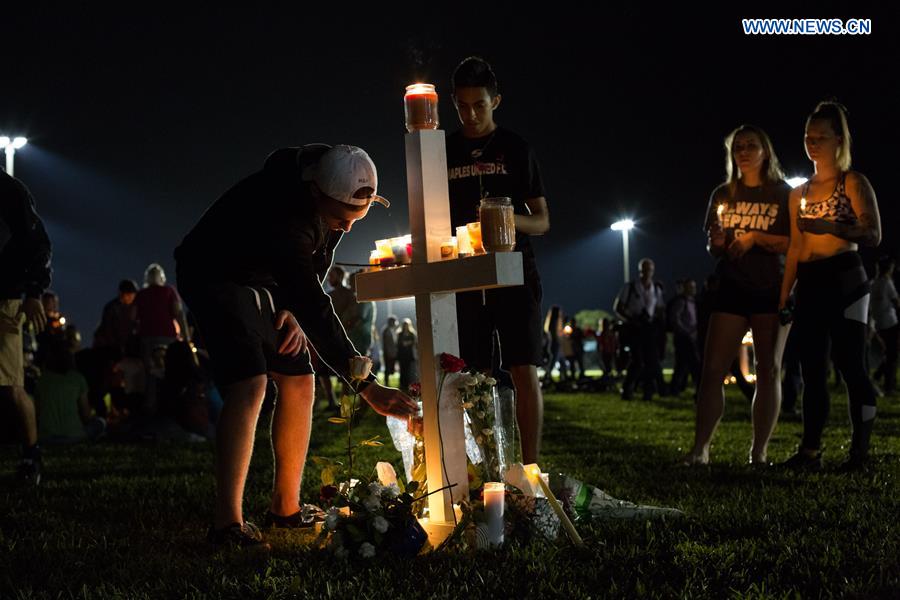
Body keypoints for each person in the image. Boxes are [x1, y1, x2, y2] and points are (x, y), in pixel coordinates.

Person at [174, 143, 417, 548]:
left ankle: (284, 510)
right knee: (251, 383)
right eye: (343, 218)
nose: (348, 228)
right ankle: (226, 525)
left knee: (300, 382)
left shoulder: (327, 199)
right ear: (316, 194)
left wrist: (289, 308)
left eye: (359, 216)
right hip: (212, 271)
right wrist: (366, 385)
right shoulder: (286, 213)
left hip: (264, 280)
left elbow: (314, 267)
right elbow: (313, 300)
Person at [447, 57, 550, 465]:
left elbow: (542, 220)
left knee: (523, 368)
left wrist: (506, 220)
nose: (471, 114)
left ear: (497, 101)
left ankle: (530, 467)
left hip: (515, 271)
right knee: (470, 375)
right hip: (466, 274)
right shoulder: (446, 150)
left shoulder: (516, 148)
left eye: (480, 105)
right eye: (463, 106)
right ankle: (487, 465)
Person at [779, 102, 882, 472]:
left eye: (822, 137)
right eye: (809, 137)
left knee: (853, 366)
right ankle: (809, 452)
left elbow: (873, 234)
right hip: (809, 283)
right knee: (811, 370)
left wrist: (833, 228)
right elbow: (794, 247)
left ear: (839, 140)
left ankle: (860, 453)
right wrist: (784, 294)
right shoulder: (799, 192)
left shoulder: (852, 182)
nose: (813, 143)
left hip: (846, 280)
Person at [683, 125, 791, 466]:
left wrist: (756, 237)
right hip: (731, 286)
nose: (743, 151)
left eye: (751, 145)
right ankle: (701, 449)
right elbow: (716, 246)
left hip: (771, 288)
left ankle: (759, 452)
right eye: (737, 146)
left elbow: (794, 243)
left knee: (768, 368)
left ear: (766, 151)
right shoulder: (723, 192)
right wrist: (716, 244)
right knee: (713, 369)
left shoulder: (782, 192)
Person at [1, 169, 52, 485]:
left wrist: (34, 292)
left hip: (5, 300)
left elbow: (39, 243)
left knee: (9, 384)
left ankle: (31, 455)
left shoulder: (9, 191)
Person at [135, 263, 189, 412]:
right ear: (162, 277)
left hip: (146, 338)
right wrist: (186, 337)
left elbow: (134, 317)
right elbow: (179, 313)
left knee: (150, 374)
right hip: (168, 337)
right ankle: (171, 408)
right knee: (170, 372)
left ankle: (150, 408)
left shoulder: (141, 294)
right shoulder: (169, 291)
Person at [35, 337, 104, 443]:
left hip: (46, 436)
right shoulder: (78, 378)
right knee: (100, 423)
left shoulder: (42, 380)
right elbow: (86, 415)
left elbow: (38, 412)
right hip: (74, 436)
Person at [614, 258, 665, 401]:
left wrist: (654, 319)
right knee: (637, 360)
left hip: (649, 327)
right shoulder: (630, 287)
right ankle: (628, 388)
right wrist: (631, 319)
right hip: (634, 328)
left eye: (649, 269)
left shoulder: (656, 289)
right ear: (640, 270)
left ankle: (648, 392)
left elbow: (660, 307)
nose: (647, 272)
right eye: (645, 269)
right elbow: (618, 307)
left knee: (651, 360)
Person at [870, 256, 898, 394]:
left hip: (879, 323)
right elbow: (895, 300)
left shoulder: (873, 283)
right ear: (889, 268)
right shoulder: (887, 282)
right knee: (892, 355)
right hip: (890, 322)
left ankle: (879, 375)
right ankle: (889, 386)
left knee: (889, 353)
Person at [669, 279, 701, 396]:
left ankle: (675, 389)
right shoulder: (681, 302)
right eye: (691, 287)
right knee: (693, 365)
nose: (693, 289)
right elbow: (675, 319)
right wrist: (687, 332)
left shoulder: (691, 302)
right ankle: (696, 389)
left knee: (682, 365)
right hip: (684, 338)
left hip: (689, 336)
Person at [396, 318, 419, 391]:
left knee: (410, 370)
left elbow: (415, 344)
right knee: (403, 370)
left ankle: (410, 384)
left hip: (410, 355)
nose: (405, 326)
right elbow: (399, 344)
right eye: (404, 325)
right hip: (402, 355)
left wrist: (407, 343)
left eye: (407, 325)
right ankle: (403, 384)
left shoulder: (412, 334)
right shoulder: (400, 334)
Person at [381, 316, 399, 385]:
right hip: (388, 353)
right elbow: (387, 344)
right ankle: (386, 383)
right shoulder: (387, 330)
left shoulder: (390, 330)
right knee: (388, 369)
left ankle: (387, 382)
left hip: (390, 353)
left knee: (389, 369)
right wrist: (389, 353)